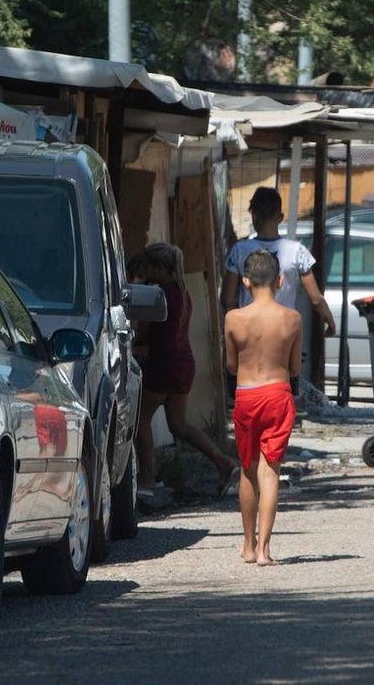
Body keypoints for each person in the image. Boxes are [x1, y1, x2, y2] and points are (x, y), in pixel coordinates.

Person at [131, 243, 240, 503]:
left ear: (157, 268)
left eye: (147, 267)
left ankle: (146, 479)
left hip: (162, 363)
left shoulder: (157, 295)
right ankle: (223, 462)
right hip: (183, 364)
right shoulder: (183, 292)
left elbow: (145, 333)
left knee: (140, 420)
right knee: (179, 424)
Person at [224, 249, 302, 566]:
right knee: (270, 471)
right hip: (278, 394)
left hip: (246, 395)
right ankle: (264, 550)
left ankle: (247, 543)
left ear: (245, 282)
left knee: (247, 468)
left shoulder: (233, 318)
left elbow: (231, 366)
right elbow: (295, 368)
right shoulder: (292, 319)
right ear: (280, 281)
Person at [220, 186, 337, 338]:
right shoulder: (297, 251)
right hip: (283, 331)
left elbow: (227, 299)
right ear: (280, 217)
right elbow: (316, 299)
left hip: (249, 330)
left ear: (253, 216)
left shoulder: (238, 251)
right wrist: (330, 321)